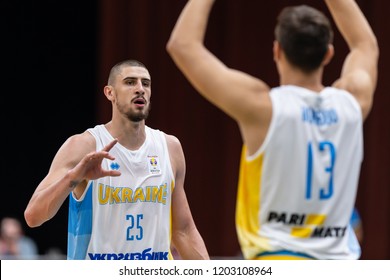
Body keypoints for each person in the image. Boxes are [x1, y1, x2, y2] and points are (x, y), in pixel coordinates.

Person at [167, 0, 378, 260]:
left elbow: (182, 45)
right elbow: (365, 45)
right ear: (329, 54)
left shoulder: (263, 108)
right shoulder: (352, 102)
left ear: (277, 51)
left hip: (275, 261)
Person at [24, 59, 209, 260]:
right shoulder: (83, 146)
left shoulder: (170, 147)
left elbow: (183, 231)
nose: (140, 89)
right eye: (130, 82)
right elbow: (33, 216)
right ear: (109, 92)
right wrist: (73, 178)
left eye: (145, 84)